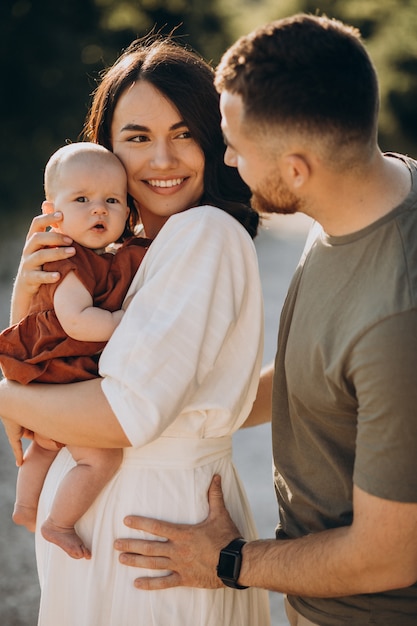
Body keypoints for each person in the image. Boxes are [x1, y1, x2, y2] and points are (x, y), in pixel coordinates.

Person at [97, 14, 416, 626]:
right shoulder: (364, 195)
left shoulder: (397, 319)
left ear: (295, 170)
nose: (229, 160)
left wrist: (229, 561)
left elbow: (390, 556)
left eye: (235, 147)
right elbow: (313, 380)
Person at [0, 37, 271, 625]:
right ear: (106, 151)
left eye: (183, 132)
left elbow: (124, 414)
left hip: (156, 525)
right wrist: (29, 296)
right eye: (138, 138)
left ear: (214, 136)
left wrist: (8, 396)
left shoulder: (203, 231)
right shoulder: (132, 251)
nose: (163, 159)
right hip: (122, 519)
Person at [0, 142, 150, 560]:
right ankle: (57, 523)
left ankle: (26, 507)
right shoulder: (68, 259)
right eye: (82, 199)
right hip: (62, 367)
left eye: (112, 201)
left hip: (57, 368)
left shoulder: (105, 257)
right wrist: (122, 323)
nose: (98, 210)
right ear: (52, 212)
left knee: (45, 445)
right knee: (101, 459)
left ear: (128, 211)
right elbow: (76, 321)